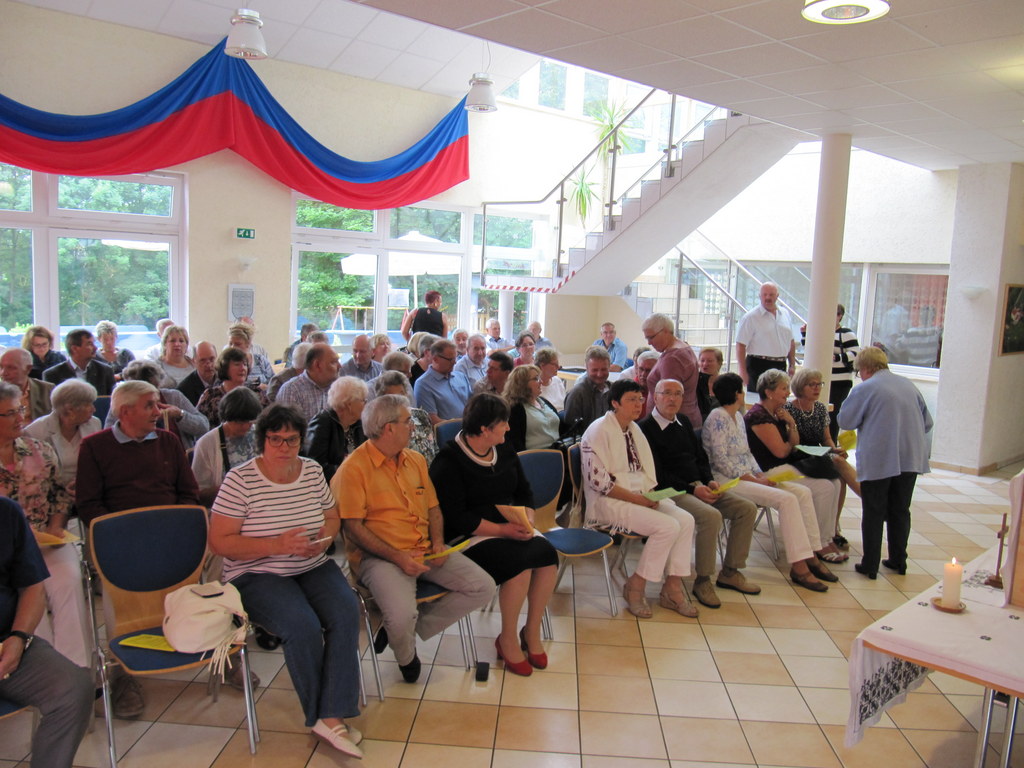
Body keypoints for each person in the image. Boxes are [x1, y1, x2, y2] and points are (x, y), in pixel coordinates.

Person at [209, 404, 364, 758]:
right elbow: (219, 542)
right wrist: (276, 545)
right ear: (262, 440)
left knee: (346, 611)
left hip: (310, 563)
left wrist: (323, 540)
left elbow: (332, 517)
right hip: (256, 573)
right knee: (301, 625)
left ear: (301, 440)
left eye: (291, 440)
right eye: (275, 439)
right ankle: (326, 716)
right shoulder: (240, 480)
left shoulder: (311, 471)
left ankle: (331, 713)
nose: (284, 447)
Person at [337, 395, 495, 683]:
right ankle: (406, 656)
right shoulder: (353, 469)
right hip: (380, 557)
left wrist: (438, 541)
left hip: (426, 549)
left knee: (482, 587)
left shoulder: (416, 460)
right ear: (388, 428)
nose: (413, 427)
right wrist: (398, 557)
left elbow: (433, 507)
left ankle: (400, 631)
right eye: (408, 421)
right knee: (401, 616)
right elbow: (353, 529)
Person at [430, 394, 559, 676]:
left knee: (547, 555)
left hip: (509, 526)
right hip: (467, 536)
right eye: (503, 423)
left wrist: (528, 519)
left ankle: (531, 630)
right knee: (518, 564)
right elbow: (457, 517)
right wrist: (503, 530)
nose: (509, 428)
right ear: (484, 429)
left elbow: (524, 491)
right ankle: (508, 638)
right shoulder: (449, 461)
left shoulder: (503, 447)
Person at [701, 373, 835, 592]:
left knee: (802, 493)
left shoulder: (737, 417)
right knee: (786, 500)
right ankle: (799, 567)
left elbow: (747, 454)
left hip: (748, 476)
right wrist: (752, 479)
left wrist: (759, 474)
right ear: (736, 394)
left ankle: (810, 553)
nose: (744, 394)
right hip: (727, 480)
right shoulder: (718, 417)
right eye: (742, 390)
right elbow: (720, 460)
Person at [639, 378, 760, 609]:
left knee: (746, 509)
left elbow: (701, 458)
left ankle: (731, 571)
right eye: (667, 393)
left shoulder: (683, 421)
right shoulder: (645, 428)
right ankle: (703, 580)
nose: (673, 399)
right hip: (671, 491)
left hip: (699, 486)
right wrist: (694, 489)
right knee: (710, 516)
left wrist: (709, 481)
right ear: (655, 396)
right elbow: (658, 474)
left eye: (678, 394)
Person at [582, 379, 698, 618]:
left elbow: (645, 472)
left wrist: (650, 496)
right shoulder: (599, 430)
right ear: (615, 403)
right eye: (631, 400)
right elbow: (600, 484)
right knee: (667, 526)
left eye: (640, 399)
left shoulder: (634, 429)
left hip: (639, 495)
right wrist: (639, 500)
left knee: (686, 520)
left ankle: (672, 587)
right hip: (609, 501)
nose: (638, 404)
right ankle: (635, 586)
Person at [0, 382, 89, 669]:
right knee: (27, 592)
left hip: (47, 540)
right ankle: (42, 667)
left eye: (20, 410)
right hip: (6, 552)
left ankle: (77, 670)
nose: (20, 418)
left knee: (68, 581)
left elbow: (58, 496)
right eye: (10, 413)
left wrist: (56, 526)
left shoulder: (38, 450)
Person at [0, 496, 93, 768]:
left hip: (7, 643)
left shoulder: (6, 512)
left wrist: (19, 638)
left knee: (73, 688)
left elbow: (32, 587)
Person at [838, 347, 932, 579]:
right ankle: (899, 560)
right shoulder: (908, 385)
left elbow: (845, 421)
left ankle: (870, 564)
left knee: (874, 510)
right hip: (910, 457)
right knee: (900, 510)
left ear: (866, 368)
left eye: (859, 371)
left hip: (880, 458)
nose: (860, 375)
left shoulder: (866, 388)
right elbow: (927, 422)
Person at [745, 369, 844, 564]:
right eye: (783, 388)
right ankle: (818, 543)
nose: (788, 392)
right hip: (768, 471)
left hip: (785, 467)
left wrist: (791, 423)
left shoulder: (778, 413)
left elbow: (794, 443)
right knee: (824, 488)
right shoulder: (758, 416)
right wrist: (790, 440)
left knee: (836, 483)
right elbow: (781, 452)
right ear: (769, 392)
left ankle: (827, 537)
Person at [785, 368, 862, 550]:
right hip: (797, 455)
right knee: (837, 466)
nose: (817, 388)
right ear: (800, 386)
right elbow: (790, 442)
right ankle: (867, 496)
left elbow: (826, 438)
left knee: (839, 475)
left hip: (817, 454)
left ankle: (832, 528)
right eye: (812, 384)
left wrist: (834, 449)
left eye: (819, 384)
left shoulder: (820, 408)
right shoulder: (789, 408)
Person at [23, 379, 102, 492]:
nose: (94, 409)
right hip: (51, 491)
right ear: (70, 410)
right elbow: (34, 475)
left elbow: (98, 463)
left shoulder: (94, 423)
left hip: (87, 487)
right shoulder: (35, 432)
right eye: (88, 404)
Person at [191, 386, 261, 507]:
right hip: (224, 506)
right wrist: (229, 487)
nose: (246, 427)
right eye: (240, 423)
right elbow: (199, 494)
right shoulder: (206, 443)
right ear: (227, 418)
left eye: (250, 422)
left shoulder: (260, 436)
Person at [801, 304, 861, 442]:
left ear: (840, 316)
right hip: (821, 379)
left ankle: (831, 443)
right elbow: (809, 348)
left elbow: (855, 353)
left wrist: (837, 357)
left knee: (833, 413)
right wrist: (805, 334)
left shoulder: (846, 333)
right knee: (818, 411)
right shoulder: (819, 331)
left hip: (840, 380)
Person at [641, 313, 701, 427]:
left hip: (672, 425)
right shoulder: (683, 347)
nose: (649, 343)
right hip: (687, 418)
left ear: (665, 331)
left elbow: (668, 398)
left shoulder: (672, 358)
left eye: (651, 337)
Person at [736, 282, 796, 392]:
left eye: (771, 295)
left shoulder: (785, 314)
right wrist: (742, 371)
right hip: (758, 364)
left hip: (781, 364)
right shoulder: (750, 317)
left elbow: (791, 342)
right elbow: (740, 345)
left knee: (779, 397)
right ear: (760, 296)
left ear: (777, 296)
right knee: (758, 398)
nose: (768, 298)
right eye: (764, 294)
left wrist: (792, 364)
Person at [305, 376, 367, 480]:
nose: (366, 404)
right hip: (331, 484)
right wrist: (349, 471)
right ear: (349, 404)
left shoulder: (359, 423)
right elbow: (315, 466)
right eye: (363, 400)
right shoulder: (322, 423)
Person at [371, 371, 438, 464]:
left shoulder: (421, 415)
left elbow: (434, 448)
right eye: (394, 397)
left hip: (430, 468)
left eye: (402, 394)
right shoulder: (381, 425)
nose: (400, 400)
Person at [197, 348, 268, 429]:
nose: (242, 368)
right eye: (237, 364)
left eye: (245, 364)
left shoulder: (256, 392)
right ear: (224, 367)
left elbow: (269, 420)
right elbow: (200, 425)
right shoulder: (210, 396)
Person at [275, 343, 340, 423]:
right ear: (317, 365)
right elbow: (288, 428)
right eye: (334, 362)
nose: (340, 366)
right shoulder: (292, 390)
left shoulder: (339, 388)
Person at [413, 338, 472, 425]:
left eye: (455, 358)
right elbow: (432, 420)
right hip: (450, 432)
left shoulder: (461, 377)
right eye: (450, 359)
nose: (455, 362)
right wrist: (464, 426)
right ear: (435, 359)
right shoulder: (423, 384)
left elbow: (472, 406)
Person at [504, 365, 561, 452]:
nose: (541, 382)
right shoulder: (515, 408)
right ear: (522, 384)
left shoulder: (544, 401)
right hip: (533, 456)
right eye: (536, 379)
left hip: (557, 452)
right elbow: (515, 443)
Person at [43, 328, 114, 396]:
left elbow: (111, 401)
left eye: (94, 343)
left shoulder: (105, 371)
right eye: (89, 344)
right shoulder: (52, 375)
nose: (95, 348)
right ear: (74, 348)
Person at [563, 346, 611, 432]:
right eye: (595, 370)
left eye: (604, 369)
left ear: (609, 367)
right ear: (586, 368)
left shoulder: (614, 390)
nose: (599, 374)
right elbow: (571, 428)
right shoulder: (577, 394)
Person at [1, 347, 54, 421]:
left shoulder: (48, 390)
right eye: (1, 367)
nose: (3, 373)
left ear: (28, 369)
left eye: (11, 368)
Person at [227, 322, 274, 388]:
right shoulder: (226, 363)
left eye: (237, 344)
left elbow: (274, 385)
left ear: (248, 344)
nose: (233, 347)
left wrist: (265, 387)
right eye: (230, 344)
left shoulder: (261, 361)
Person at [176, 340, 219, 406]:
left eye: (212, 359)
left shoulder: (226, 380)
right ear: (194, 362)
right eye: (202, 360)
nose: (209, 365)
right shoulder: (184, 390)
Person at [696, 347, 723, 421]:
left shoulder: (727, 384)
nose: (705, 364)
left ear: (719, 363)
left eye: (710, 361)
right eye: (702, 360)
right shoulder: (694, 383)